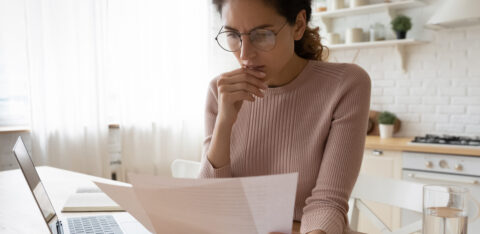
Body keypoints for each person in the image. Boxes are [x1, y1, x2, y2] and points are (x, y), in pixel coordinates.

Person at [198, 0, 371, 233]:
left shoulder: (345, 85)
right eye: (233, 34)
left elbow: (327, 202)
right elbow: (210, 206)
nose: (245, 53)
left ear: (298, 25)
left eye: (262, 34)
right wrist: (225, 122)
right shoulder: (220, 91)